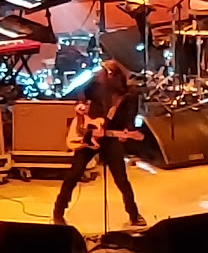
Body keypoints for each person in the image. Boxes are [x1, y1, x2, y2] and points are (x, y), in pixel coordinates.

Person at [53, 60, 146, 227]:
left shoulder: (129, 95)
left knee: (121, 178)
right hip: (90, 135)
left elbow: (130, 119)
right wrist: (80, 106)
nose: (98, 74)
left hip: (111, 136)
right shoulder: (94, 85)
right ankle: (58, 212)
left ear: (110, 74)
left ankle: (134, 214)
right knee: (74, 174)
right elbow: (79, 94)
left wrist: (127, 131)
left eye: (102, 71)